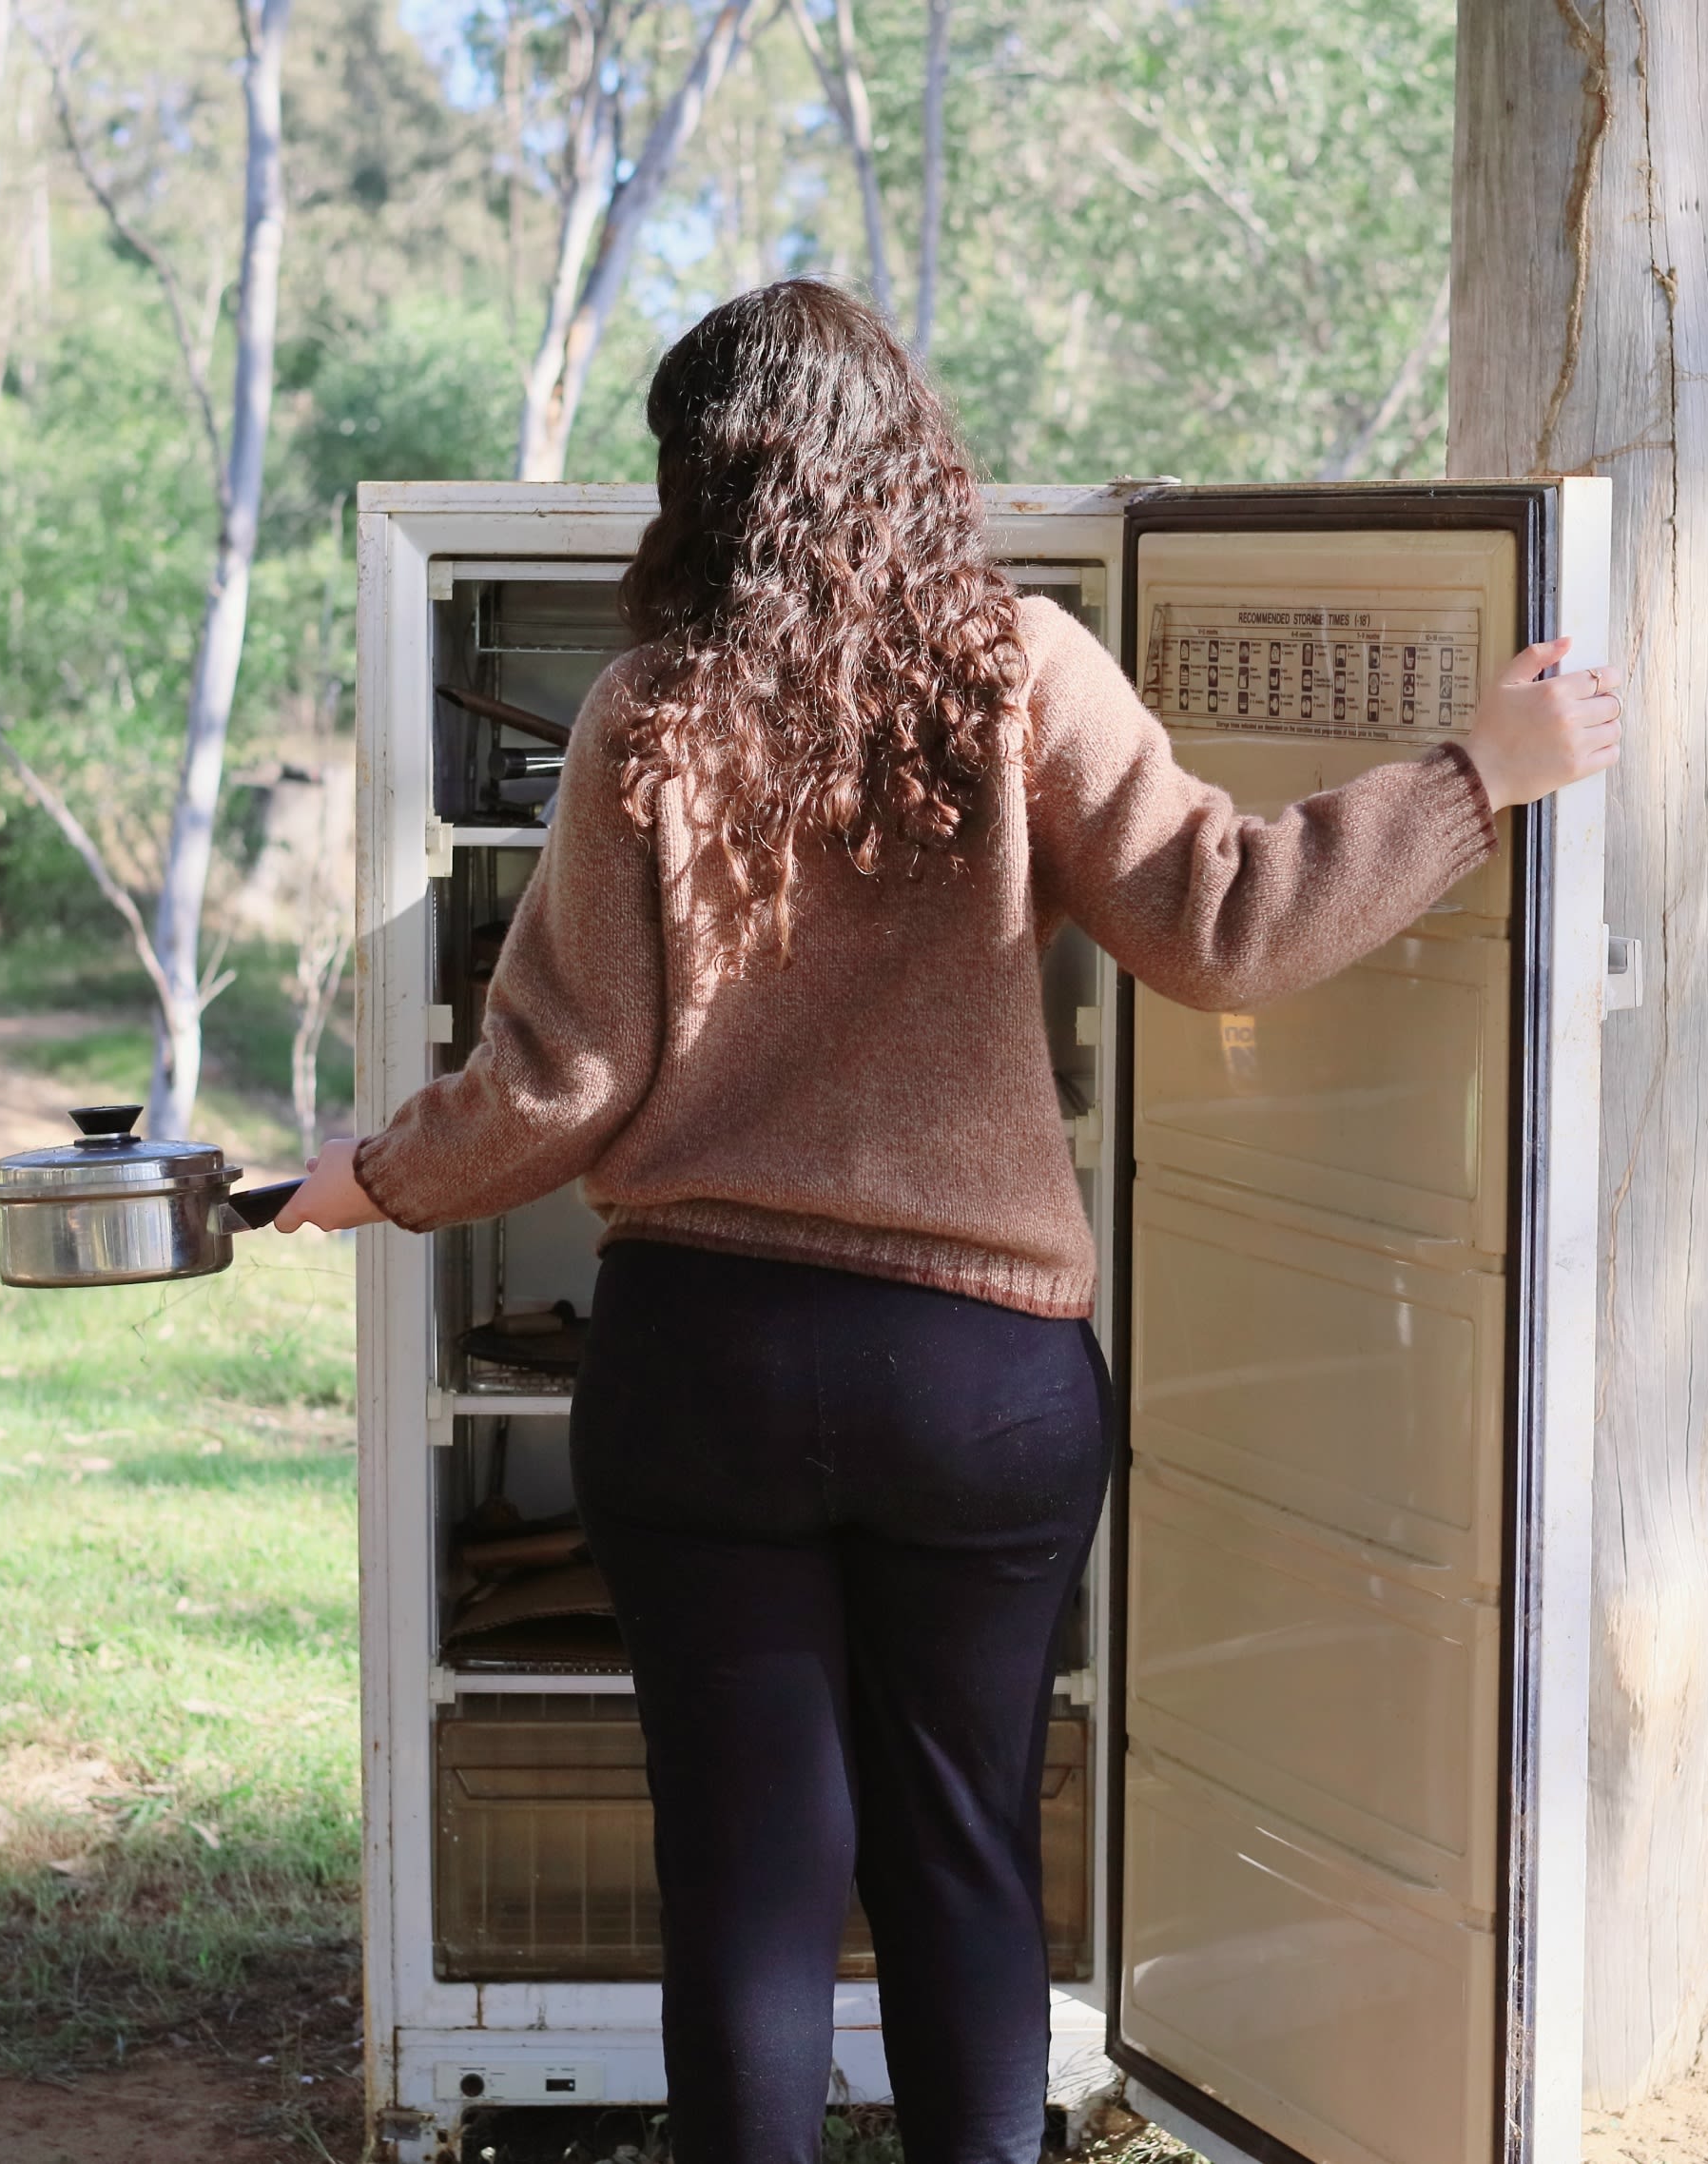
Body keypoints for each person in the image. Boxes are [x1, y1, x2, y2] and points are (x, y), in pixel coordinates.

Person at [276, 279, 1621, 2164]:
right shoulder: (1018, 669)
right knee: (956, 1843)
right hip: (974, 1377)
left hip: (702, 1365)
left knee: (750, 1872)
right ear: (907, 454)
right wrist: (1479, 774)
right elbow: (1222, 926)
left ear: (698, 489)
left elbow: (556, 1080)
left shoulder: (648, 707)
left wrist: (379, 1176)